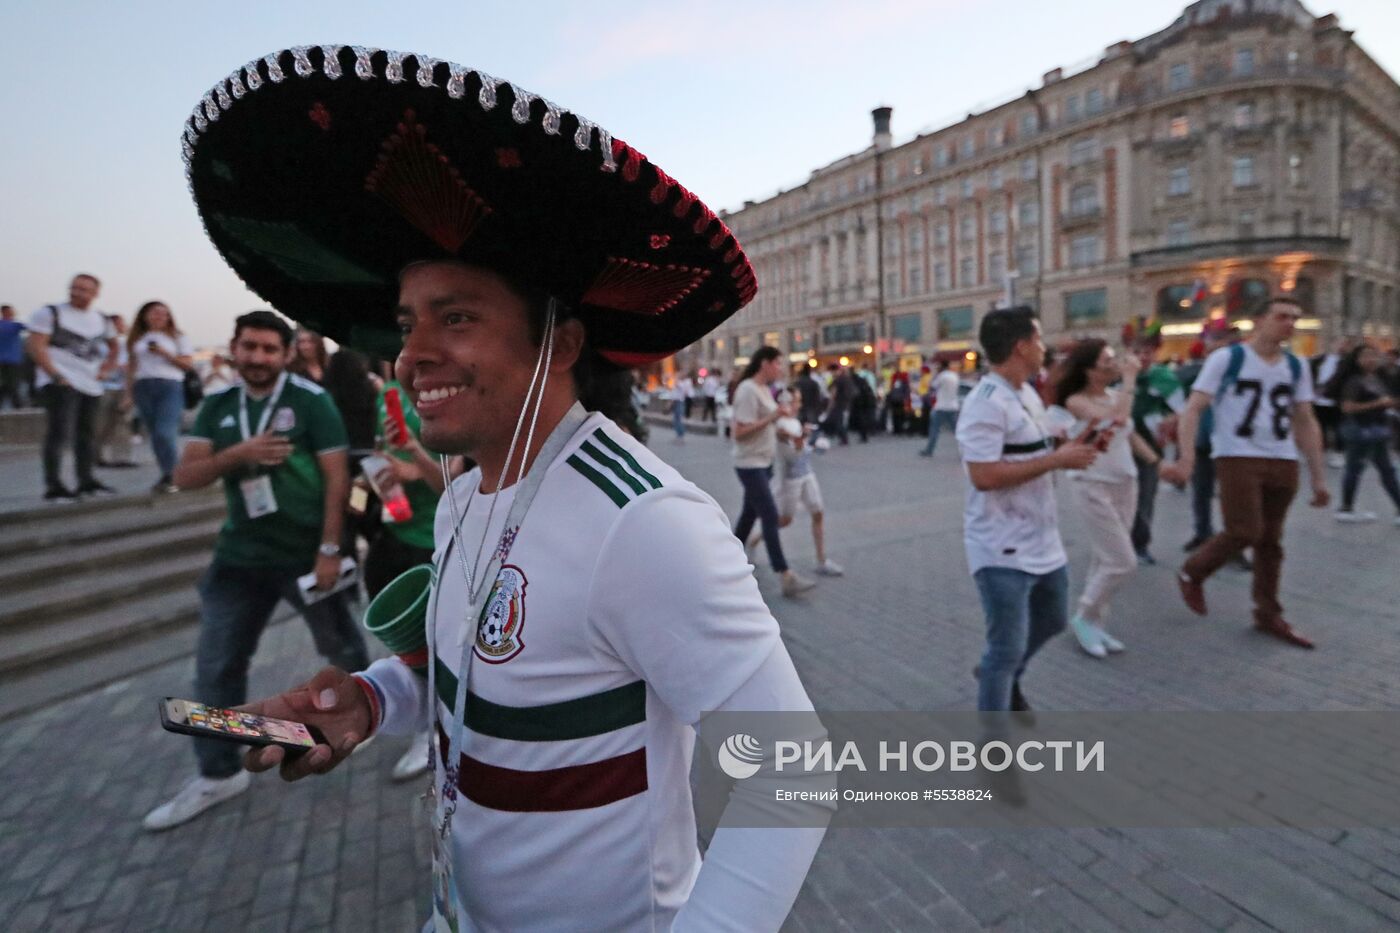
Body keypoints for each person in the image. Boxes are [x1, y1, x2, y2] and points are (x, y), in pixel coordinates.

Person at [186, 46, 825, 931]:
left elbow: (795, 772)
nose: (411, 355)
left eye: (457, 317)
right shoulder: (465, 494)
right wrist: (369, 702)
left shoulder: (643, 523)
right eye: (409, 325)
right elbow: (472, 680)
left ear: (559, 343)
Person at [143, 309, 370, 830]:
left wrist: (331, 550)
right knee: (217, 667)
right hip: (239, 558)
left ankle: (363, 714)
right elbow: (186, 475)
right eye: (250, 347)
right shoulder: (220, 404)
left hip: (305, 554)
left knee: (339, 646)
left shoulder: (311, 401)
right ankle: (219, 773)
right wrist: (239, 453)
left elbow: (338, 480)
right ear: (235, 347)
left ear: (286, 353)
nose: (259, 357)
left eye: (270, 349)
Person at [1162, 297, 1330, 649]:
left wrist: (1318, 476)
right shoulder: (1228, 358)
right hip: (1237, 454)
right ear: (1260, 320)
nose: (1290, 324)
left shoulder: (1297, 366)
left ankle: (1267, 612)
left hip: (1283, 458)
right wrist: (1188, 458)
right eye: (1282, 316)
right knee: (1245, 530)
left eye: (1295, 318)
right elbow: (1193, 409)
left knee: (1271, 541)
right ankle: (1194, 570)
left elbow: (1305, 419)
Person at [957, 306, 1101, 710]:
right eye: (1038, 339)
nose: (1044, 347)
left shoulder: (1025, 393)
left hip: (1042, 537)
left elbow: (1033, 450)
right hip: (1000, 545)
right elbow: (983, 476)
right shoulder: (985, 402)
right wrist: (1058, 460)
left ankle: (1001, 673)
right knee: (1004, 648)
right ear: (1021, 346)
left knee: (1054, 619)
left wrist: (1070, 446)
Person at [368, 376, 469, 781]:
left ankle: (431, 731)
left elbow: (453, 479)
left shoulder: (448, 386)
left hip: (434, 539)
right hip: (395, 528)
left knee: (437, 643)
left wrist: (414, 457)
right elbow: (382, 451)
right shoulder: (388, 393)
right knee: (407, 645)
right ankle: (421, 719)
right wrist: (380, 474)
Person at [1054, 339, 1147, 658]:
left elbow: (1129, 433)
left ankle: (1095, 624)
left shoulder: (1113, 396)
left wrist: (1159, 463)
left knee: (1104, 557)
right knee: (1122, 561)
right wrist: (1131, 379)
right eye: (1107, 360)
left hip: (1125, 481)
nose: (1114, 364)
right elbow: (1116, 420)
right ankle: (1083, 615)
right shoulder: (1076, 401)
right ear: (1089, 369)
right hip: (1092, 483)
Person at [25, 273, 119, 501]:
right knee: (59, 433)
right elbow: (35, 346)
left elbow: (114, 347)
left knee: (86, 434)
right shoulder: (51, 313)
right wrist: (55, 375)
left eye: (85, 289)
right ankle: (54, 484)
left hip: (91, 383)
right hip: (61, 381)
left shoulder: (102, 319)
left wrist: (106, 369)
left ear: (95, 293)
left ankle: (86, 480)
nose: (78, 293)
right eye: (75, 288)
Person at [733, 346, 817, 598]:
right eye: (778, 363)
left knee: (749, 515)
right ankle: (785, 575)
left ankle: (729, 558)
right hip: (750, 464)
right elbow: (739, 433)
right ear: (764, 363)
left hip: (764, 463)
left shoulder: (762, 390)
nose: (781, 368)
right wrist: (772, 417)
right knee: (769, 515)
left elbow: (768, 426)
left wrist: (790, 433)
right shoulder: (747, 390)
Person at [128, 301, 196, 491]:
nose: (159, 316)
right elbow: (131, 367)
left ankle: (177, 475)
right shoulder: (137, 338)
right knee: (155, 435)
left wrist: (165, 353)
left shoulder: (177, 337)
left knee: (165, 432)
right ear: (145, 315)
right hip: (143, 386)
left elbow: (187, 364)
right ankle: (168, 474)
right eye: (154, 313)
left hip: (170, 386)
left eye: (163, 313)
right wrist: (128, 393)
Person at [1129, 338, 1185, 565]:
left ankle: (1140, 543)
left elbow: (1181, 410)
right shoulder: (1117, 375)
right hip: (1120, 442)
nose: (1142, 356)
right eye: (1137, 351)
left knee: (1145, 495)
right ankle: (1119, 541)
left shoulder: (1164, 378)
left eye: (1147, 352)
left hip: (1150, 443)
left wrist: (1168, 421)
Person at [1330, 344, 1400, 522]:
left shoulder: (1378, 378)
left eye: (1374, 356)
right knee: (1356, 469)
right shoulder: (1354, 381)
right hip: (1360, 431)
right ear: (1357, 359)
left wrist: (1390, 403)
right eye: (1366, 356)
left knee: (1386, 470)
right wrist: (1378, 404)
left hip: (1377, 431)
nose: (1371, 360)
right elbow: (1347, 407)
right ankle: (1346, 508)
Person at [773, 410, 843, 576]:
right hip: (792, 480)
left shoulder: (796, 422)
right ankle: (761, 535)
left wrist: (808, 440)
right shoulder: (780, 424)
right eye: (794, 401)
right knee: (785, 520)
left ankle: (821, 560)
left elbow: (802, 448)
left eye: (798, 401)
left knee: (818, 513)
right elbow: (790, 452)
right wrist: (799, 438)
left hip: (807, 474)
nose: (797, 405)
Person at [95, 313, 137, 469]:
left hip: (122, 388)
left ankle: (121, 458)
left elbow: (132, 366)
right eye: (118, 324)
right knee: (101, 424)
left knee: (122, 422)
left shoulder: (128, 343)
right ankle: (96, 455)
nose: (121, 326)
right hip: (103, 388)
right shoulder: (99, 344)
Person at [1311, 337, 1351, 469]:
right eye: (1339, 343)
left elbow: (1341, 380)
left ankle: (1338, 453)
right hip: (1318, 400)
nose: (1340, 347)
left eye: (1344, 344)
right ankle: (1320, 453)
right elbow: (1312, 376)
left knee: (1338, 428)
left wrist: (1326, 389)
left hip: (1336, 400)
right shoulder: (1318, 361)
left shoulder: (1346, 363)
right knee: (1320, 427)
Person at [920, 359, 962, 458]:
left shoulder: (941, 376)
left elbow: (932, 386)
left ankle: (929, 450)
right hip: (953, 406)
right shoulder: (954, 375)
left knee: (934, 429)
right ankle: (966, 451)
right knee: (957, 431)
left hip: (941, 406)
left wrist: (934, 374)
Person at [0, 304, 28, 410]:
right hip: (13, 360)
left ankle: (16, 404)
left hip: (4, 360)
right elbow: (30, 326)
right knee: (13, 383)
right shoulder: (15, 325)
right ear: (6, 312)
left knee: (6, 383)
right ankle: (18, 405)